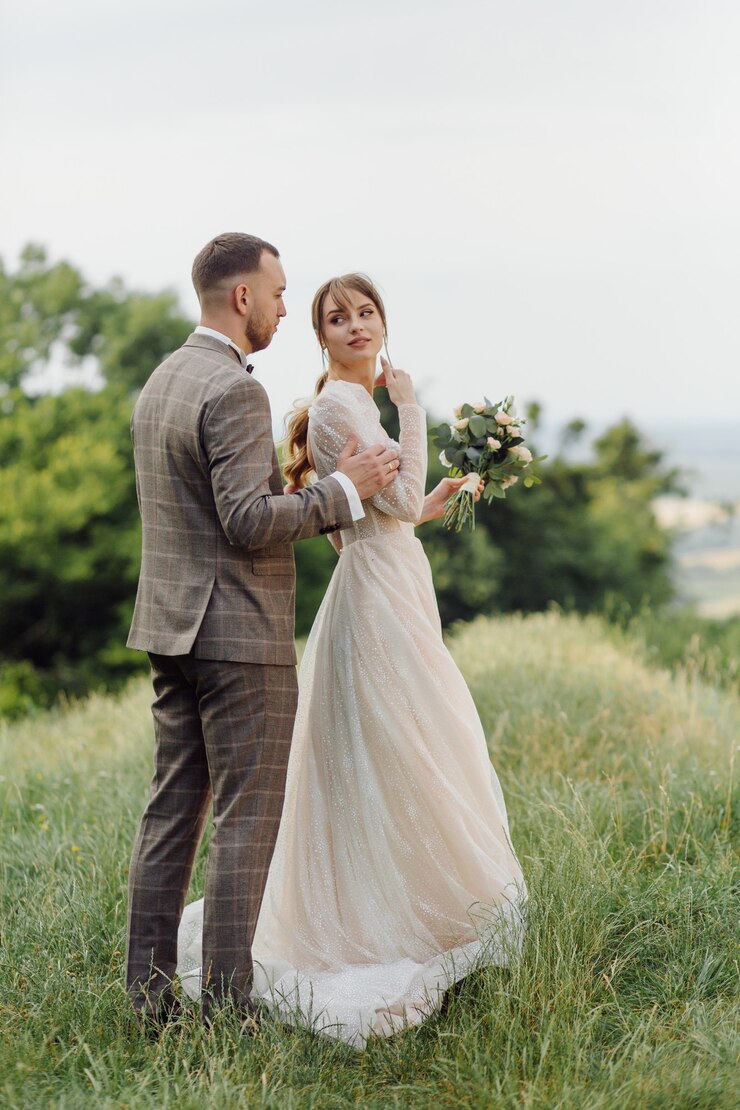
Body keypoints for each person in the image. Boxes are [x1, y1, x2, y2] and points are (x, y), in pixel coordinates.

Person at [178, 273, 527, 1046]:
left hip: (391, 580)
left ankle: (412, 889)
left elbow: (396, 511)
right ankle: (389, 915)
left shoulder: (353, 405)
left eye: (366, 313)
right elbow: (389, 508)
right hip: (375, 600)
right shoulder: (342, 403)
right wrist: (415, 409)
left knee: (403, 745)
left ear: (382, 321)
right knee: (403, 742)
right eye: (338, 318)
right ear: (323, 336)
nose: (356, 326)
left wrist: (447, 489)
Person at [125, 236, 403, 1028]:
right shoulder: (236, 390)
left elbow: (206, 508)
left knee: (170, 813)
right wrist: (346, 490)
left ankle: (149, 1002)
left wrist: (294, 488)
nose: (286, 307)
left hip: (170, 628)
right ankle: (227, 1008)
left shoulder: (164, 378)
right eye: (279, 294)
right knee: (248, 818)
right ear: (241, 296)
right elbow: (246, 523)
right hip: (237, 636)